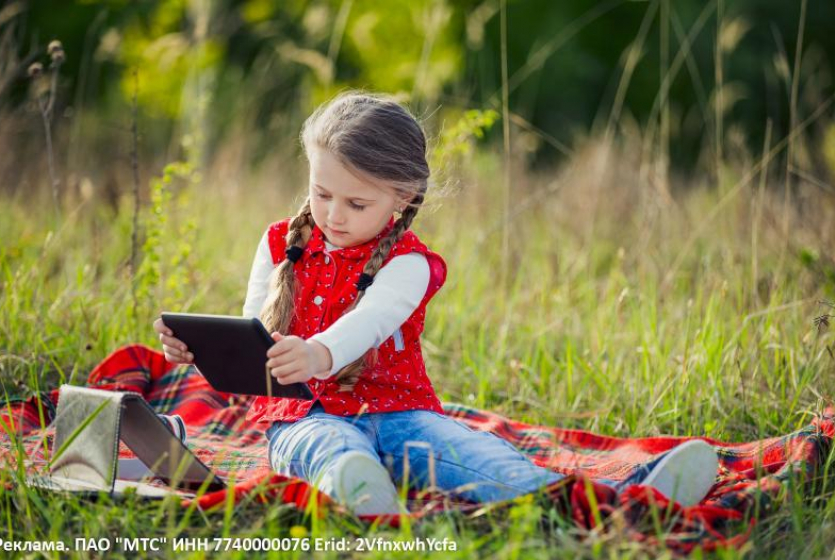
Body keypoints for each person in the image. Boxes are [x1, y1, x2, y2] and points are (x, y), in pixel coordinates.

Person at [152, 92, 719, 515]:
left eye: (356, 202)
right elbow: (253, 330)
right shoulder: (281, 243)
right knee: (328, 447)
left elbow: (369, 325)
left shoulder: (411, 264)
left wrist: (319, 354)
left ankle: (631, 496)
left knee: (483, 461)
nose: (333, 215)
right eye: (321, 194)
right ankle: (360, 492)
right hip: (301, 417)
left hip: (399, 412)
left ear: (401, 200)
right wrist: (198, 350)